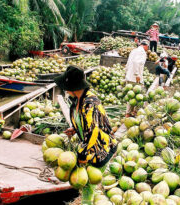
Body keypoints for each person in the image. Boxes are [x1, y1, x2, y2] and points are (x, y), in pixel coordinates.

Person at [54, 65, 117, 205]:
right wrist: (75, 129)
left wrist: (82, 156)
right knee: (87, 184)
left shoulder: (90, 102)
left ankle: (87, 203)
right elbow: (85, 123)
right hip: (90, 146)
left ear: (72, 86)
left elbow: (93, 131)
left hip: (101, 147)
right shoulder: (77, 100)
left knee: (88, 185)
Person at [125, 40, 149, 117]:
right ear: (145, 46)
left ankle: (128, 113)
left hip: (129, 76)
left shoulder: (134, 51)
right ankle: (135, 112)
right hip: (135, 78)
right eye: (148, 47)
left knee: (130, 96)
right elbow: (136, 62)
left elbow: (128, 63)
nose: (147, 49)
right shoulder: (142, 52)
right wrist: (137, 74)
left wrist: (127, 73)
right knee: (140, 95)